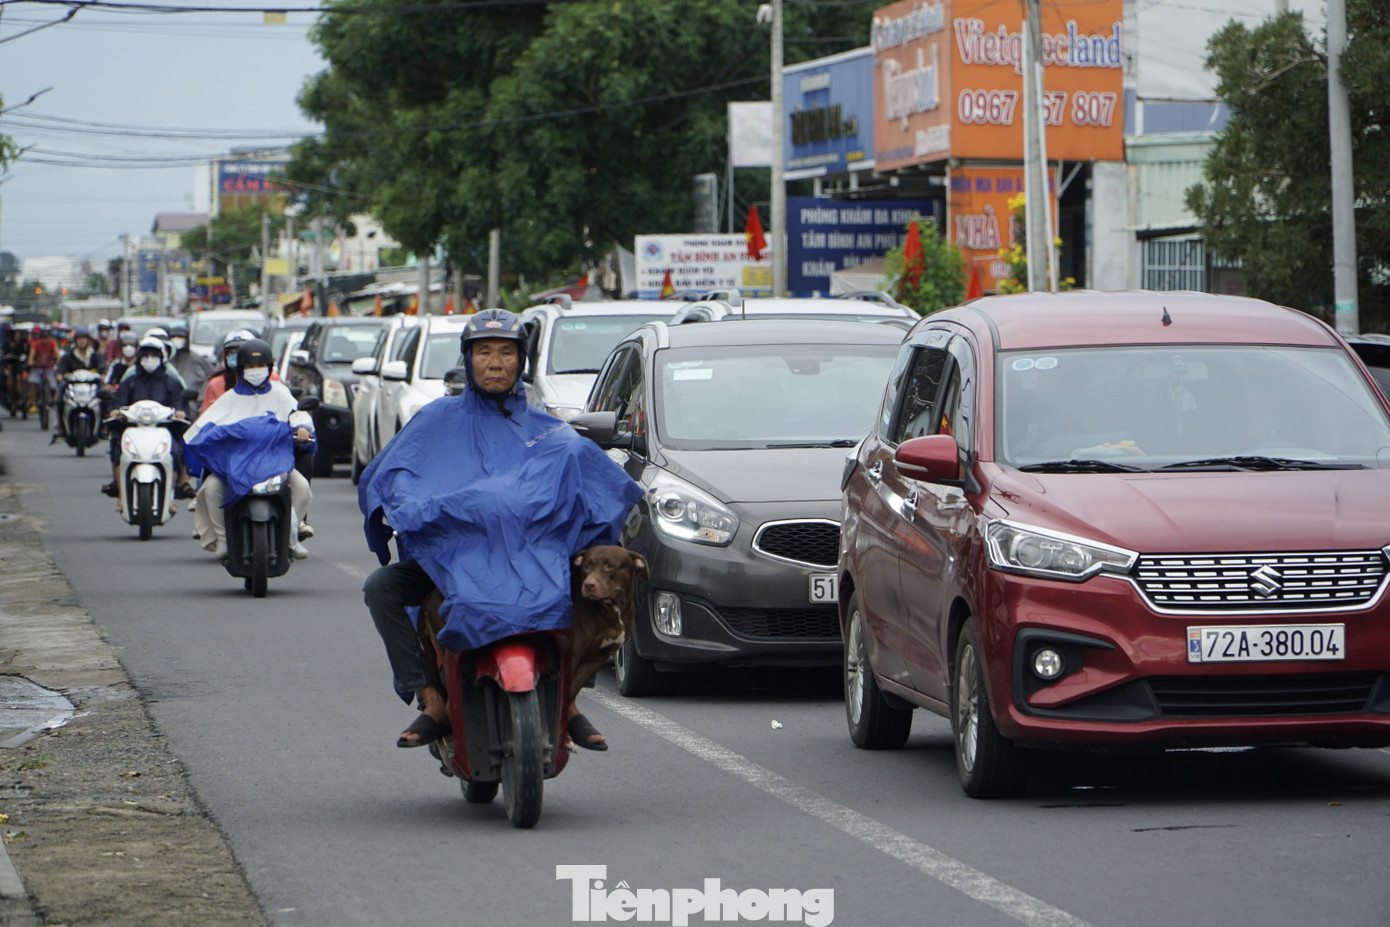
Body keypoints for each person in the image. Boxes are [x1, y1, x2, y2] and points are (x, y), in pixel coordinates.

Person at [359, 309, 643, 751]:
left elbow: (591, 482)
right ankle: (431, 697)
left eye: (507, 352)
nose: (495, 362)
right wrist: (412, 509)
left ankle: (566, 701)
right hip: (453, 562)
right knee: (381, 588)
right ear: (468, 360)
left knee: (595, 598)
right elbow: (392, 472)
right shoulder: (435, 419)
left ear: (521, 362)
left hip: (534, 561)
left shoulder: (550, 433)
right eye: (484, 352)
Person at [184, 339, 314, 561]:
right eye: (250, 367)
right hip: (234, 464)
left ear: (270, 367)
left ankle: (290, 537)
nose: (255, 371)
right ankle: (224, 539)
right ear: (240, 369)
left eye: (260, 366)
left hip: (275, 460)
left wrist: (302, 427)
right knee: (210, 489)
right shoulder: (229, 399)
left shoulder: (280, 393)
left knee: (302, 488)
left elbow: (296, 414)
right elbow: (202, 427)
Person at [101, 339, 191, 499]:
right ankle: (121, 495)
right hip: (133, 430)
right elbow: (118, 400)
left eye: (154, 355)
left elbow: (180, 401)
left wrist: (180, 411)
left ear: (161, 358)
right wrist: (114, 410)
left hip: (164, 431)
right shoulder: (129, 382)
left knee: (176, 451)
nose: (150, 359)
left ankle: (171, 494)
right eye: (146, 355)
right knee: (118, 448)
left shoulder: (171, 382)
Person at [51, 325, 105, 443]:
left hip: (92, 388)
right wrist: (59, 375)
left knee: (105, 397)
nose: (82, 340)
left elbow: (102, 368)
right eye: (79, 338)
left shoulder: (95, 355)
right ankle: (59, 427)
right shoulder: (68, 356)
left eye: (84, 338)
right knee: (60, 401)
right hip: (73, 388)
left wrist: (103, 375)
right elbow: (60, 369)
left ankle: (103, 428)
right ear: (75, 340)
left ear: (88, 340)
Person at [200, 329, 263, 413]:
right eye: (232, 352)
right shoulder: (216, 385)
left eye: (241, 351)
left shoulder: (269, 377)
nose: (236, 355)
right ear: (225, 355)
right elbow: (208, 418)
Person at [167, 323, 214, 405]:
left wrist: (199, 397)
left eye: (180, 337)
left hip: (192, 405)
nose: (176, 340)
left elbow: (210, 377)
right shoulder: (166, 360)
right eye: (173, 337)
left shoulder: (197, 360)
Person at [26, 325, 61, 416]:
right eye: (43, 338)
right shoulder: (35, 345)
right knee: (32, 382)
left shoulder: (53, 343)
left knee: (54, 385)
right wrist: (31, 362)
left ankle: (52, 400)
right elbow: (31, 357)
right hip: (37, 369)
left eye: (46, 338)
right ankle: (34, 405)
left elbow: (58, 355)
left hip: (49, 368)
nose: (45, 340)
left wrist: (58, 362)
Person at [2, 324, 29, 415]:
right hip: (9, 366)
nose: (17, 336)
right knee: (9, 383)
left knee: (22, 380)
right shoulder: (7, 345)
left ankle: (24, 397)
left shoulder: (23, 345)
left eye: (19, 335)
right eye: (15, 334)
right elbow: (4, 357)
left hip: (20, 367)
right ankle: (12, 399)